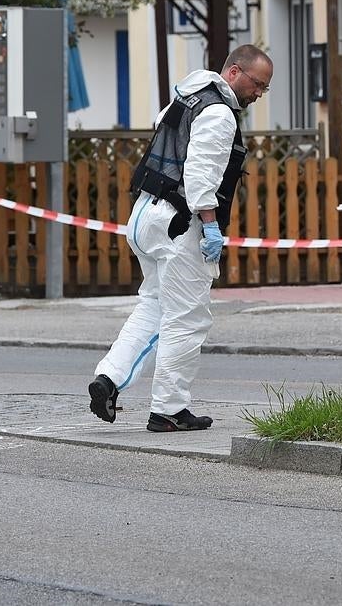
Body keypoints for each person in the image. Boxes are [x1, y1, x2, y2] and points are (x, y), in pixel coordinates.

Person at [88, 45, 273, 431]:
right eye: (257, 85)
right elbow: (202, 177)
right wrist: (209, 226)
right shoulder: (220, 114)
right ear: (235, 72)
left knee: (153, 305)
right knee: (187, 319)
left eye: (265, 89)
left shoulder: (185, 98)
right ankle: (169, 409)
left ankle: (108, 378)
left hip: (146, 213)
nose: (258, 94)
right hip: (180, 224)